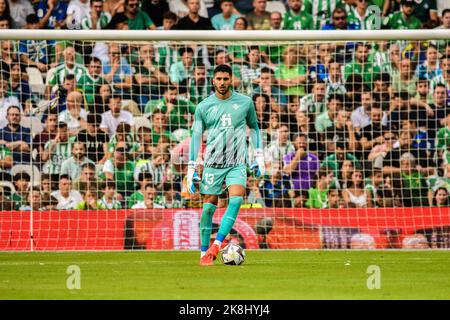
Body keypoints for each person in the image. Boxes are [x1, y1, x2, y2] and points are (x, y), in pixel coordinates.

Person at [186, 64, 265, 265]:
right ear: (213, 81)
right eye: (218, 79)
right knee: (207, 210)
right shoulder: (203, 106)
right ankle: (203, 253)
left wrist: (259, 156)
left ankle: (217, 245)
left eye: (225, 79)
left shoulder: (245, 102)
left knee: (236, 199)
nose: (222, 82)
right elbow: (196, 136)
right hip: (212, 163)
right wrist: (191, 167)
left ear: (231, 80)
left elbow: (254, 127)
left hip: (236, 163)